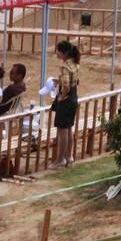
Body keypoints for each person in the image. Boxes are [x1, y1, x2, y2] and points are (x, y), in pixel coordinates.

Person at [50, 41, 80, 169]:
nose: (56, 52)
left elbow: (66, 86)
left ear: (64, 53)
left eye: (57, 50)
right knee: (68, 129)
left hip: (66, 99)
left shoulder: (64, 66)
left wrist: (61, 97)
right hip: (74, 97)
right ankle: (69, 156)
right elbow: (74, 81)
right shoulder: (74, 63)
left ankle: (60, 159)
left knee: (62, 130)